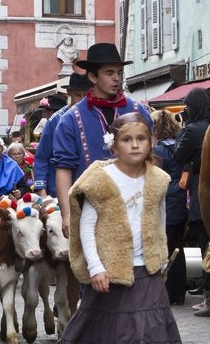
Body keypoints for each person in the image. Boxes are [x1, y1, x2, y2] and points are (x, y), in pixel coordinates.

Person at [37, 112, 190, 344]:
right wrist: (95, 268)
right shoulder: (100, 181)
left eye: (141, 139)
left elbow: (158, 220)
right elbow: (87, 228)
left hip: (146, 268)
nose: (135, 145)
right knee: (115, 336)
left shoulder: (158, 180)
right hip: (111, 270)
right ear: (113, 145)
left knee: (150, 332)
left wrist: (160, 259)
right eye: (127, 140)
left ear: (150, 143)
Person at [52, 43, 152, 237]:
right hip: (89, 211)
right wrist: (66, 215)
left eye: (119, 72)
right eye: (109, 73)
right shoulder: (70, 120)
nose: (116, 78)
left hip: (135, 208)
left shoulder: (139, 112)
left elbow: (150, 161)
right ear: (92, 76)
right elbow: (64, 169)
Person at [174, 89, 210, 318]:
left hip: (202, 193)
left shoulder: (192, 130)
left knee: (205, 247)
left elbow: (177, 155)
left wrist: (183, 129)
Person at [151, 110, 188, 305]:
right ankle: (179, 293)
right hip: (180, 199)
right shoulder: (179, 146)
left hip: (166, 199)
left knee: (164, 247)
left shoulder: (158, 150)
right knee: (178, 247)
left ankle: (166, 291)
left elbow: (155, 177)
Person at [33, 75, 89, 198]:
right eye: (78, 95)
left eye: (86, 96)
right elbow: (42, 156)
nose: (82, 101)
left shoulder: (94, 117)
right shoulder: (56, 120)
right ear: (69, 93)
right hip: (60, 191)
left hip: (90, 188)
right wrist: (41, 190)